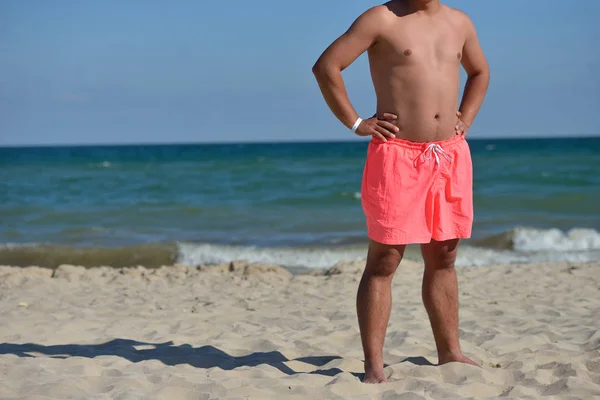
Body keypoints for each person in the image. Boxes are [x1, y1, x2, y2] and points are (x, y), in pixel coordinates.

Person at [312, 0, 490, 384]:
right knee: (385, 259)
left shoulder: (459, 22)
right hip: (397, 156)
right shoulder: (381, 19)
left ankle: (449, 352)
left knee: (444, 255)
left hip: (449, 156)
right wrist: (357, 122)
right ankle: (374, 365)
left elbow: (479, 72)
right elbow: (326, 66)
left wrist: (466, 117)